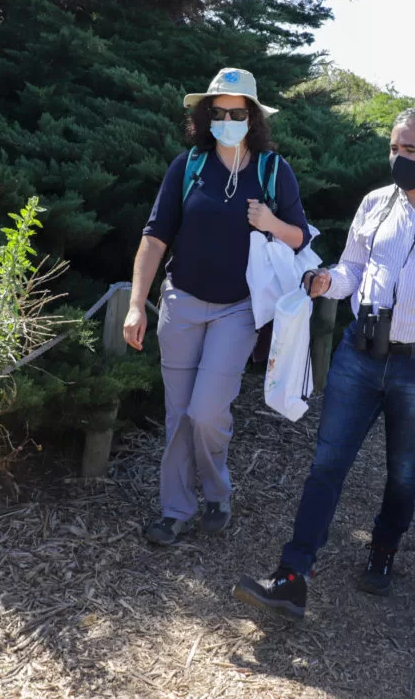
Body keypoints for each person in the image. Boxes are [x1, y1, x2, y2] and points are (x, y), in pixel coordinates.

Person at [232, 107, 415, 619]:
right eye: (394, 148)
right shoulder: (376, 204)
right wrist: (328, 281)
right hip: (358, 353)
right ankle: (293, 574)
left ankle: (383, 549)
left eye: (411, 151)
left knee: (402, 471)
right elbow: (353, 268)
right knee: (327, 464)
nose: (398, 159)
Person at [126, 68, 311, 546]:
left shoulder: (272, 170)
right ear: (206, 116)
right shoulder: (187, 166)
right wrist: (135, 305)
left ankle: (216, 488)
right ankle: (175, 508)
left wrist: (270, 221)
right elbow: (154, 237)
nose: (228, 119)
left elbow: (300, 238)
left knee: (206, 411)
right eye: (219, 112)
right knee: (178, 412)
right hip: (181, 303)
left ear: (252, 118)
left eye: (237, 112)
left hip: (238, 309)